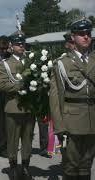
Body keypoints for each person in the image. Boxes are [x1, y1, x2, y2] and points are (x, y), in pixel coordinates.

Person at [49, 18, 95, 180]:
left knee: (86, 165)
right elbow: (55, 98)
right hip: (72, 122)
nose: (86, 37)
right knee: (71, 166)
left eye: (88, 33)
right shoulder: (62, 63)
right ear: (73, 37)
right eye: (81, 34)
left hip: (92, 120)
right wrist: (60, 125)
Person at [0, 33, 34, 180]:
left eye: (23, 44)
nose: (21, 46)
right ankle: (13, 166)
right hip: (13, 107)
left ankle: (25, 167)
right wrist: (21, 85)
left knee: (27, 139)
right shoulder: (5, 64)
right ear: (11, 47)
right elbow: (3, 84)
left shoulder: (31, 63)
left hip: (30, 108)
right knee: (13, 140)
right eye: (18, 44)